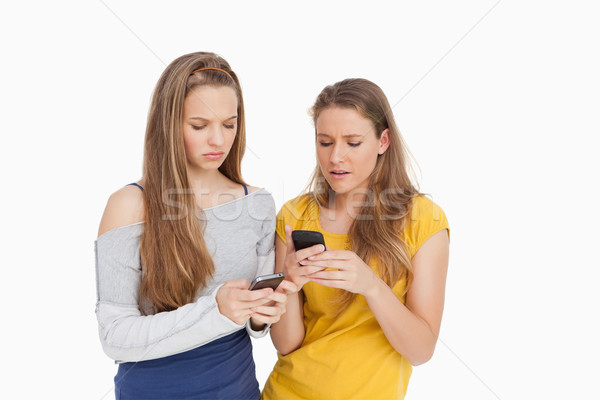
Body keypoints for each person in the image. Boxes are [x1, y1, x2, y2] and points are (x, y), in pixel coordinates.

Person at [95, 51, 295, 400]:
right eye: (199, 126)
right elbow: (114, 337)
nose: (218, 140)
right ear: (169, 125)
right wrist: (215, 309)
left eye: (229, 124)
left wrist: (264, 312)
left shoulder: (258, 204)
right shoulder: (128, 205)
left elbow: (254, 325)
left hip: (238, 390)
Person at [261, 78, 450, 399]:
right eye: (324, 142)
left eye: (352, 142)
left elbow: (421, 350)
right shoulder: (294, 215)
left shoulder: (424, 219)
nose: (335, 157)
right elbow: (287, 344)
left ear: (383, 141)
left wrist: (371, 286)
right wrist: (288, 284)